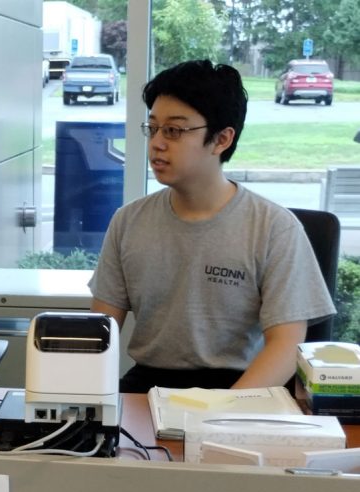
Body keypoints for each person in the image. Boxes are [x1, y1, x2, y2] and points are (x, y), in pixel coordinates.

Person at [88, 60, 335, 393]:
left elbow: (286, 345)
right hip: (148, 387)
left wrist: (221, 414)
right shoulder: (129, 220)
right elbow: (100, 331)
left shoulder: (274, 227)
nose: (157, 143)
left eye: (174, 131)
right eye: (153, 128)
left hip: (240, 388)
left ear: (221, 139)